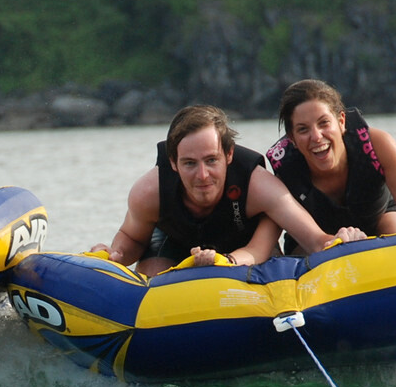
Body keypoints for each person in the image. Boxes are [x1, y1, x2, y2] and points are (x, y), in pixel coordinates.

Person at [95, 105, 364, 276]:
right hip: (175, 246)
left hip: (246, 251)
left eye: (211, 160)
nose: (202, 175)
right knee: (152, 278)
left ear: (229, 155)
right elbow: (131, 238)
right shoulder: (149, 192)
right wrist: (114, 255)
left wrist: (344, 238)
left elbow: (317, 240)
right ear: (173, 163)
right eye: (189, 163)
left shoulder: (259, 186)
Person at [267, 79, 396, 252]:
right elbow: (292, 245)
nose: (316, 136)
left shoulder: (377, 145)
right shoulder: (284, 177)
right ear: (291, 138)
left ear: (341, 122)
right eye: (303, 129)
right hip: (315, 241)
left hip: (379, 218)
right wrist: (336, 242)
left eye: (324, 123)